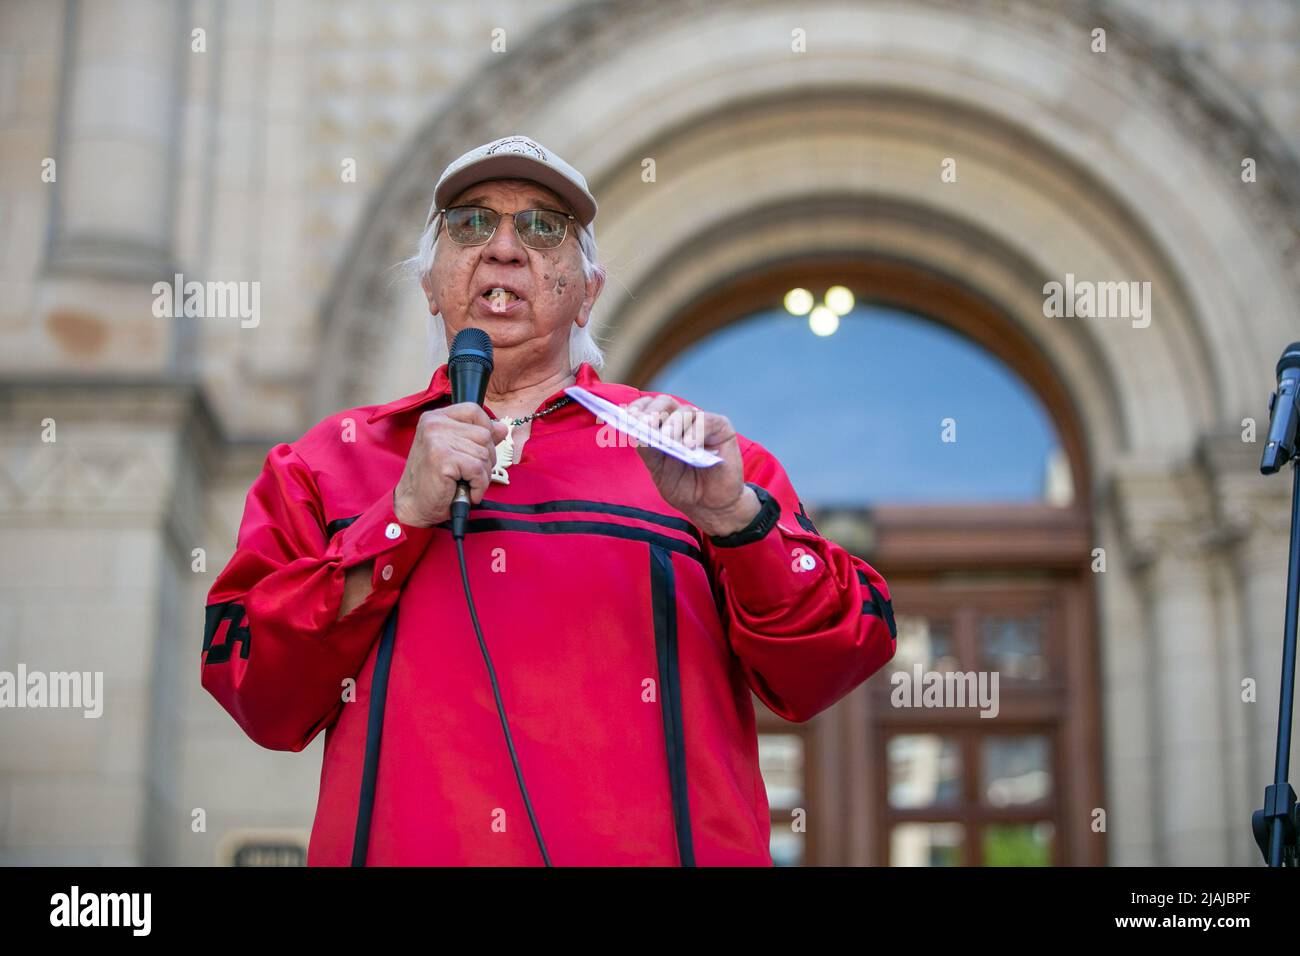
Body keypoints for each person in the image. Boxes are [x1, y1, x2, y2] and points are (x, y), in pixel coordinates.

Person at [201, 134, 897, 866]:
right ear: (430, 285)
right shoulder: (327, 462)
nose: (503, 248)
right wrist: (398, 518)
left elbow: (842, 654)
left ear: (588, 292)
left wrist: (734, 520)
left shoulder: (694, 458)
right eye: (470, 224)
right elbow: (253, 689)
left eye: (543, 227)